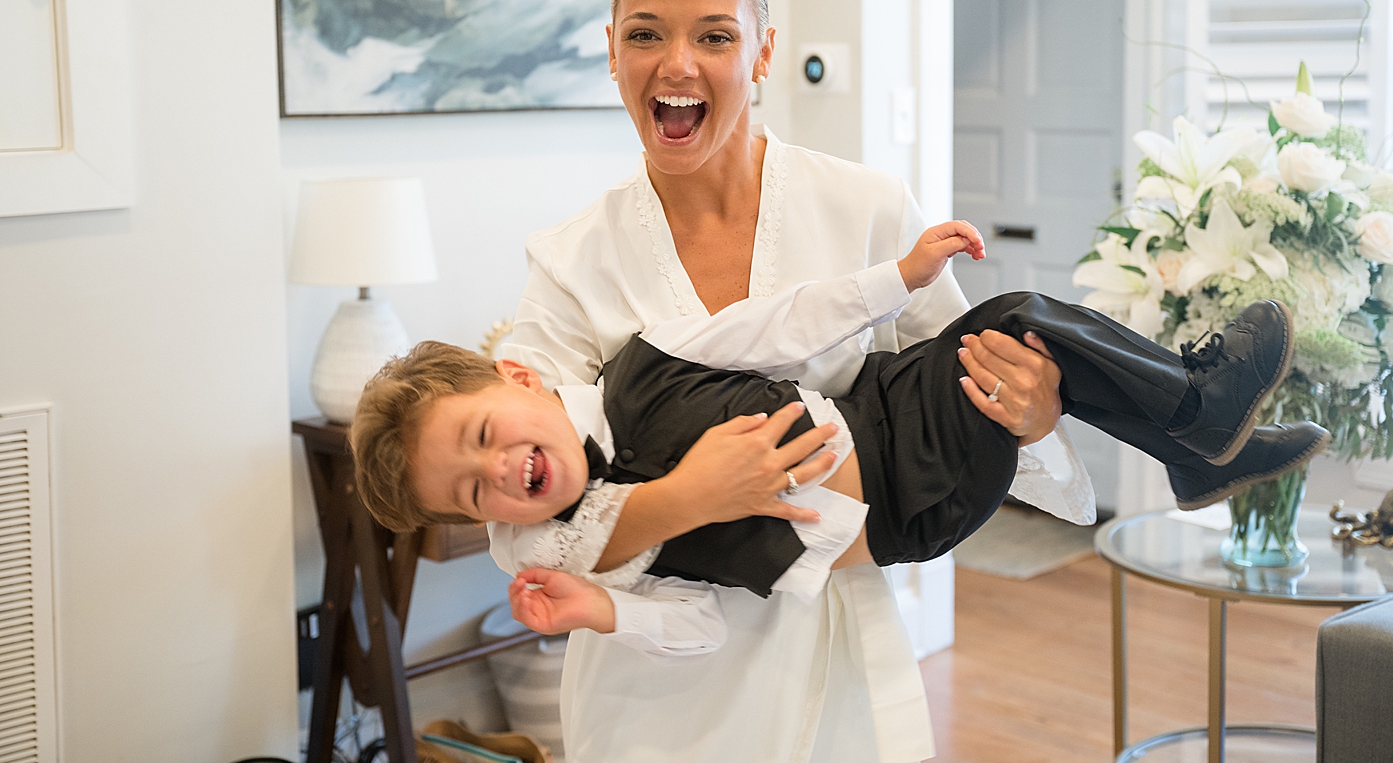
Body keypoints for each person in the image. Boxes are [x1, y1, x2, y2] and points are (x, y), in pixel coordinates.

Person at [449, 0, 1069, 763]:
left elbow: (965, 385)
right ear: (611, 50)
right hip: (652, 692)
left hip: (835, 655)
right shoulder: (568, 263)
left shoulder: (867, 209)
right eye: (645, 34)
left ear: (763, 52)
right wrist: (690, 496)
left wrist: (1033, 410)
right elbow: (520, 531)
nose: (677, 64)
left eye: (714, 35)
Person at [352, 219, 1328, 654]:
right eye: (474, 490)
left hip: (884, 401)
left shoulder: (644, 361)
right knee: (1019, 317)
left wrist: (896, 277)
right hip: (908, 498)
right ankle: (1198, 422)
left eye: (484, 435)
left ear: (518, 375)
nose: (500, 470)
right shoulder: (599, 548)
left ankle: (1197, 446)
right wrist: (602, 616)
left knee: (1013, 330)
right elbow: (701, 624)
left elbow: (778, 323)